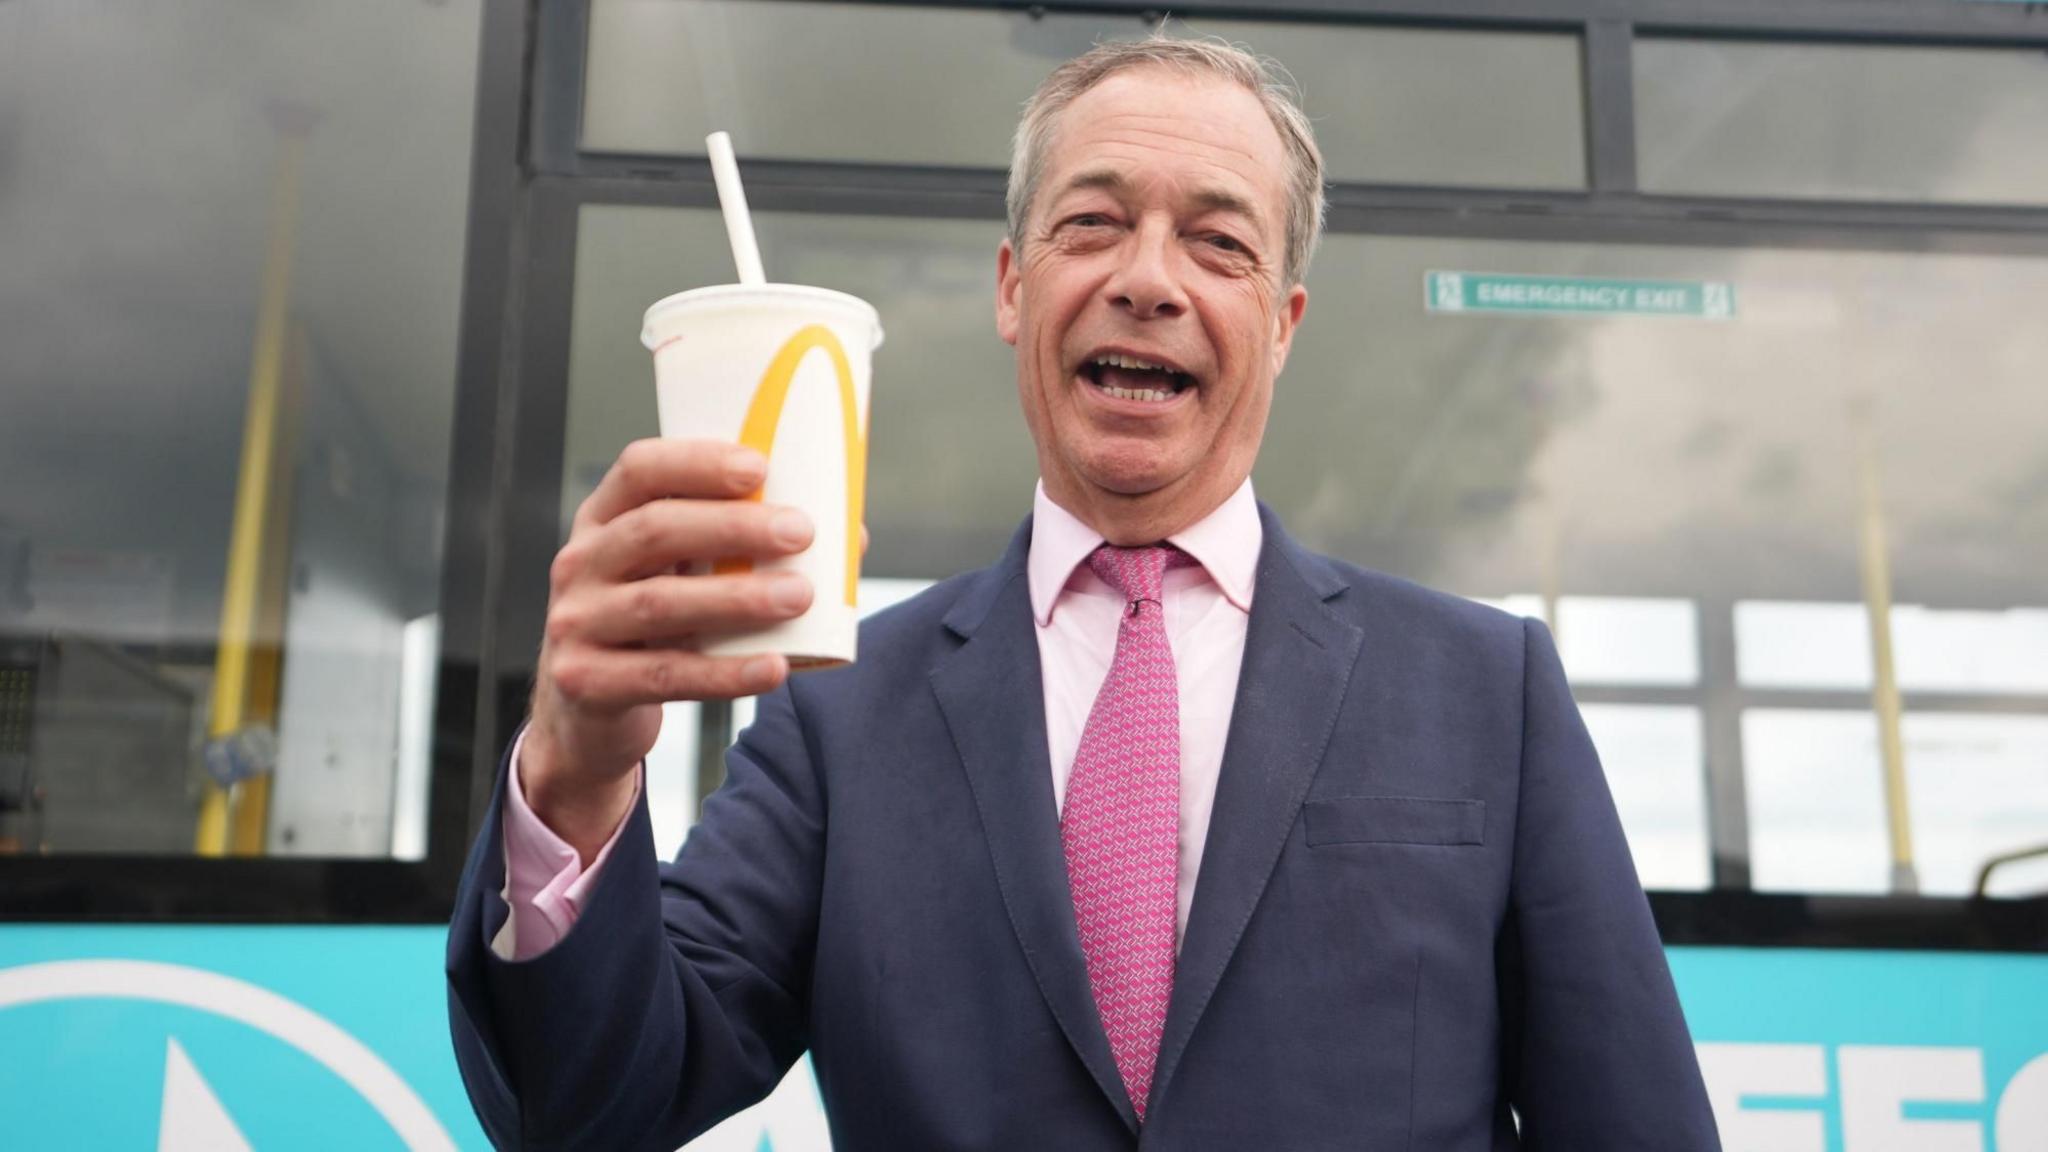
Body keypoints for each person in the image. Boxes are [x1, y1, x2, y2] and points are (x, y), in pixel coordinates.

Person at [446, 36, 1720, 1151]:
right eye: (1092, 222)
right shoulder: (839, 712)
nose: (1147, 279)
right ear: (1013, 287)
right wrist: (570, 776)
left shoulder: (1484, 693)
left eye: (1215, 242)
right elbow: (587, 1109)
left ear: (1279, 323)